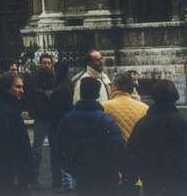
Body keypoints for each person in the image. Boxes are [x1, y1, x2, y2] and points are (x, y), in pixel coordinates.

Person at [127, 79, 187, 196]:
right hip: (179, 182)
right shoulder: (184, 124)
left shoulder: (143, 124)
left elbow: (132, 153)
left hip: (152, 181)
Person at [58, 76, 124, 194]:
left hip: (80, 171)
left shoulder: (68, 119)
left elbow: (61, 147)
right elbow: (117, 146)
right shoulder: (105, 119)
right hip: (104, 172)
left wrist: (72, 169)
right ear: (97, 95)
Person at [0, 72, 34, 195]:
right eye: (18, 87)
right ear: (7, 89)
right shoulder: (2, 111)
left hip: (6, 172)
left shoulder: (4, 107)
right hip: (10, 173)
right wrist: (17, 173)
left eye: (22, 87)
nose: (22, 90)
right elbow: (7, 146)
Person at [28, 52, 56, 188]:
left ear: (52, 64)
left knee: (55, 149)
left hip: (52, 117)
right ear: (40, 64)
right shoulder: (35, 78)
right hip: (41, 117)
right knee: (37, 150)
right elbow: (32, 93)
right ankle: (33, 180)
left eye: (48, 63)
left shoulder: (54, 78)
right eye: (44, 63)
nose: (46, 65)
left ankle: (58, 181)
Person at [48, 61, 74, 193]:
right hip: (67, 122)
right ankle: (68, 182)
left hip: (58, 124)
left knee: (59, 154)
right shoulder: (68, 84)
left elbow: (55, 111)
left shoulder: (58, 90)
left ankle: (65, 183)